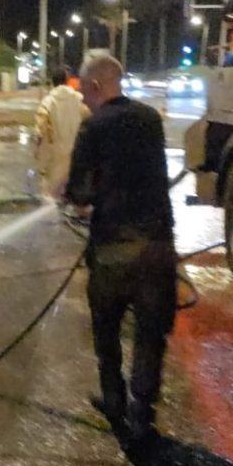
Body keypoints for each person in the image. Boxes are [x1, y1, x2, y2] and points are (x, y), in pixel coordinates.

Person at [65, 50, 176, 442]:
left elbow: (79, 194)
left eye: (84, 91)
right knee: (150, 334)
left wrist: (75, 198)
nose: (83, 99)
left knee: (107, 330)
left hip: (113, 250)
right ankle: (142, 414)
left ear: (96, 85)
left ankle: (114, 400)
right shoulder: (150, 119)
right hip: (157, 247)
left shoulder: (93, 126)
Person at [34, 67, 85, 198]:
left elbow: (40, 128)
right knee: (73, 193)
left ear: (52, 82)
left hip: (54, 156)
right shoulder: (79, 99)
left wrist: (37, 148)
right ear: (67, 80)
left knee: (51, 193)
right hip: (76, 154)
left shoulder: (48, 102)